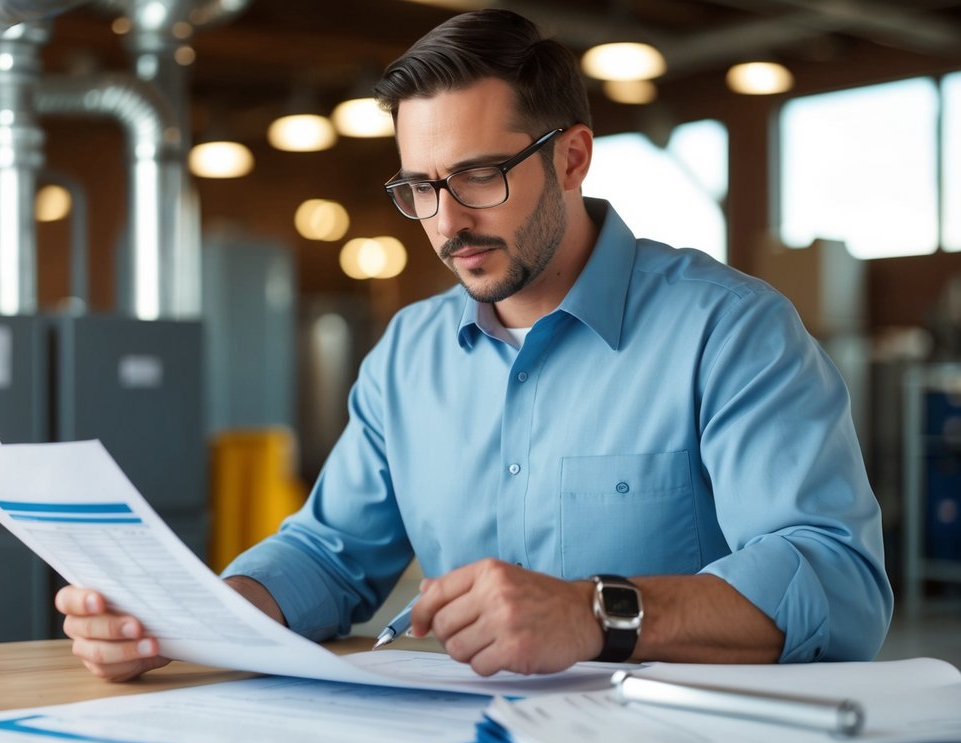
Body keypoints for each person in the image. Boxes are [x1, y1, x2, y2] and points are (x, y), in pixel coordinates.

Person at [56, 9, 893, 682]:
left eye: (477, 176)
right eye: (419, 187)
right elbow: (330, 553)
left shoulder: (729, 331)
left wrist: (595, 614)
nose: (447, 221)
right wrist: (196, 615)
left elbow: (837, 583)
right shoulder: (408, 352)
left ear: (571, 158)